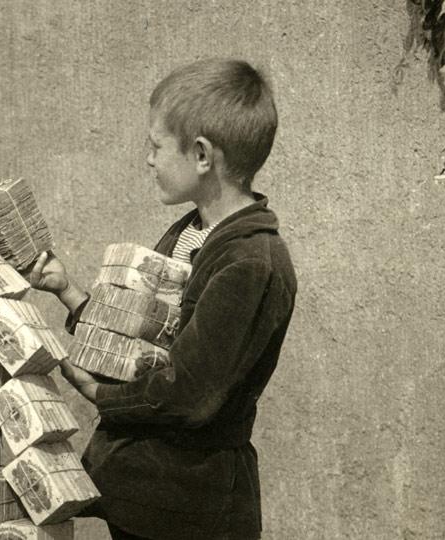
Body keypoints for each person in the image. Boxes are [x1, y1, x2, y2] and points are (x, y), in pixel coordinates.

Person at [28, 58, 297, 539]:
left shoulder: (251, 263)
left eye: (156, 146)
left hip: (190, 507)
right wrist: (68, 292)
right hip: (147, 496)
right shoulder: (193, 232)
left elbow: (186, 393)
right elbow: (145, 342)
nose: (148, 159)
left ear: (200, 155)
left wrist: (97, 394)